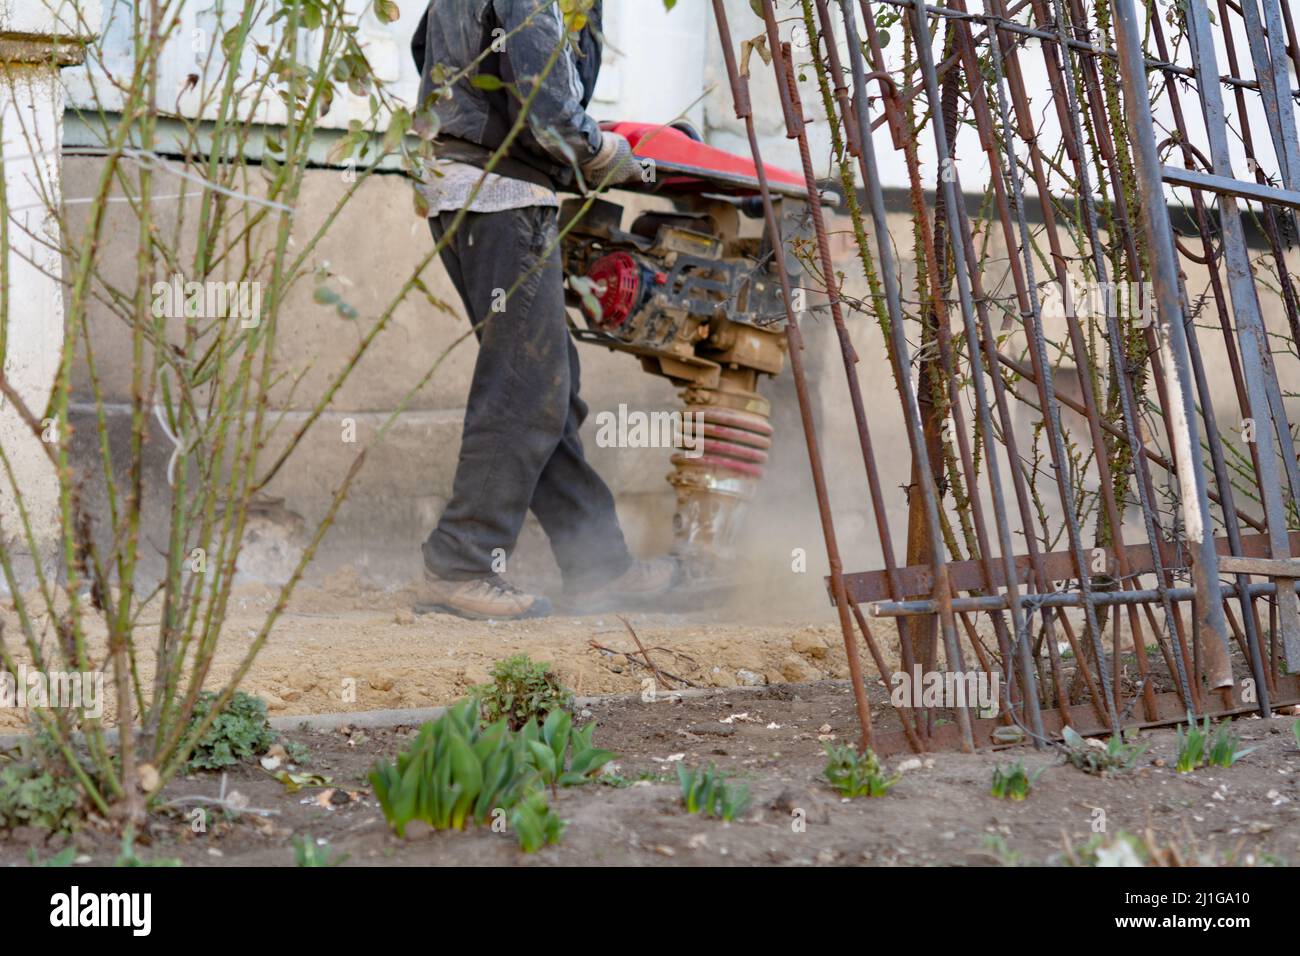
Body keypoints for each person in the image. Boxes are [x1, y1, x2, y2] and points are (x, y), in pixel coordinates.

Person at [408, 0, 675, 620]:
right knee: (525, 390)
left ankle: (598, 565)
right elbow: (542, 100)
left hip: (466, 186)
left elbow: (427, 49)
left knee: (550, 387)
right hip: (502, 192)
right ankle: (461, 562)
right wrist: (601, 150)